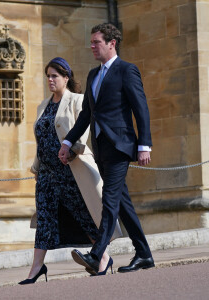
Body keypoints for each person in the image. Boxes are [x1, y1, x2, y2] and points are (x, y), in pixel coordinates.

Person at [59, 23, 155, 275]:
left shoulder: (127, 70)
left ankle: (96, 254)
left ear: (112, 43)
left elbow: (140, 109)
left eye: (96, 42)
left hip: (121, 146)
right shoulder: (93, 75)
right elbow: (86, 115)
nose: (91, 46)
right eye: (91, 42)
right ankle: (144, 254)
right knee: (122, 204)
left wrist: (144, 145)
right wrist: (68, 141)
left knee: (110, 200)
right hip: (101, 148)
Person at [18, 57, 122, 285]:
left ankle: (103, 257)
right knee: (44, 219)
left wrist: (72, 150)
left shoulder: (77, 100)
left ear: (66, 77)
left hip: (70, 170)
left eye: (54, 75)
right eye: (48, 76)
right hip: (46, 174)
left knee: (83, 215)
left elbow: (82, 130)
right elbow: (41, 138)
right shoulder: (42, 105)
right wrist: (36, 167)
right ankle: (36, 268)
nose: (50, 80)